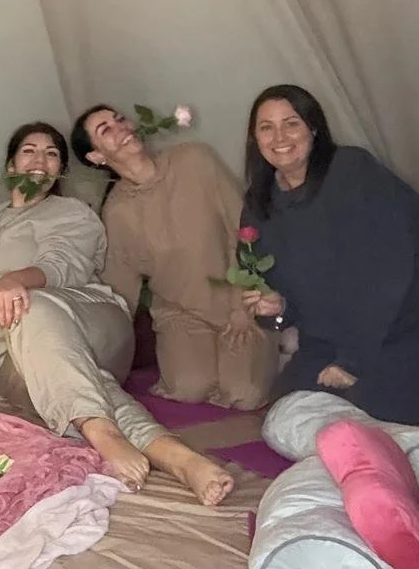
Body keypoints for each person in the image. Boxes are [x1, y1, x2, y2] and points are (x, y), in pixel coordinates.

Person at [0, 122, 235, 505]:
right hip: (12, 352)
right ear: (10, 165)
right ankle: (176, 456)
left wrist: (15, 280)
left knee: (31, 306)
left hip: (89, 322)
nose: (40, 159)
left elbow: (62, 264)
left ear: (60, 170)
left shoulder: (70, 212)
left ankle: (99, 431)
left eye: (51, 153)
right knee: (69, 377)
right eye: (29, 151)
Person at [238, 85, 419, 428]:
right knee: (287, 417)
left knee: (371, 413)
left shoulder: (351, 171)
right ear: (255, 138)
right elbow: (271, 291)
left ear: (313, 128)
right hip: (332, 339)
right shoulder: (259, 203)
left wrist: (353, 361)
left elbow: (384, 274)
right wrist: (276, 309)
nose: (279, 136)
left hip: (418, 322)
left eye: (291, 123)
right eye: (266, 127)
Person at [71, 105, 275, 409]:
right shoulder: (116, 212)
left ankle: (272, 348)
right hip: (181, 315)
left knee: (243, 395)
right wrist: (93, 353)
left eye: (120, 119)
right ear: (97, 156)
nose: (121, 127)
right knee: (188, 388)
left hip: (240, 302)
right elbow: (119, 291)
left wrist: (243, 305)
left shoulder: (195, 159)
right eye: (106, 130)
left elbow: (246, 229)